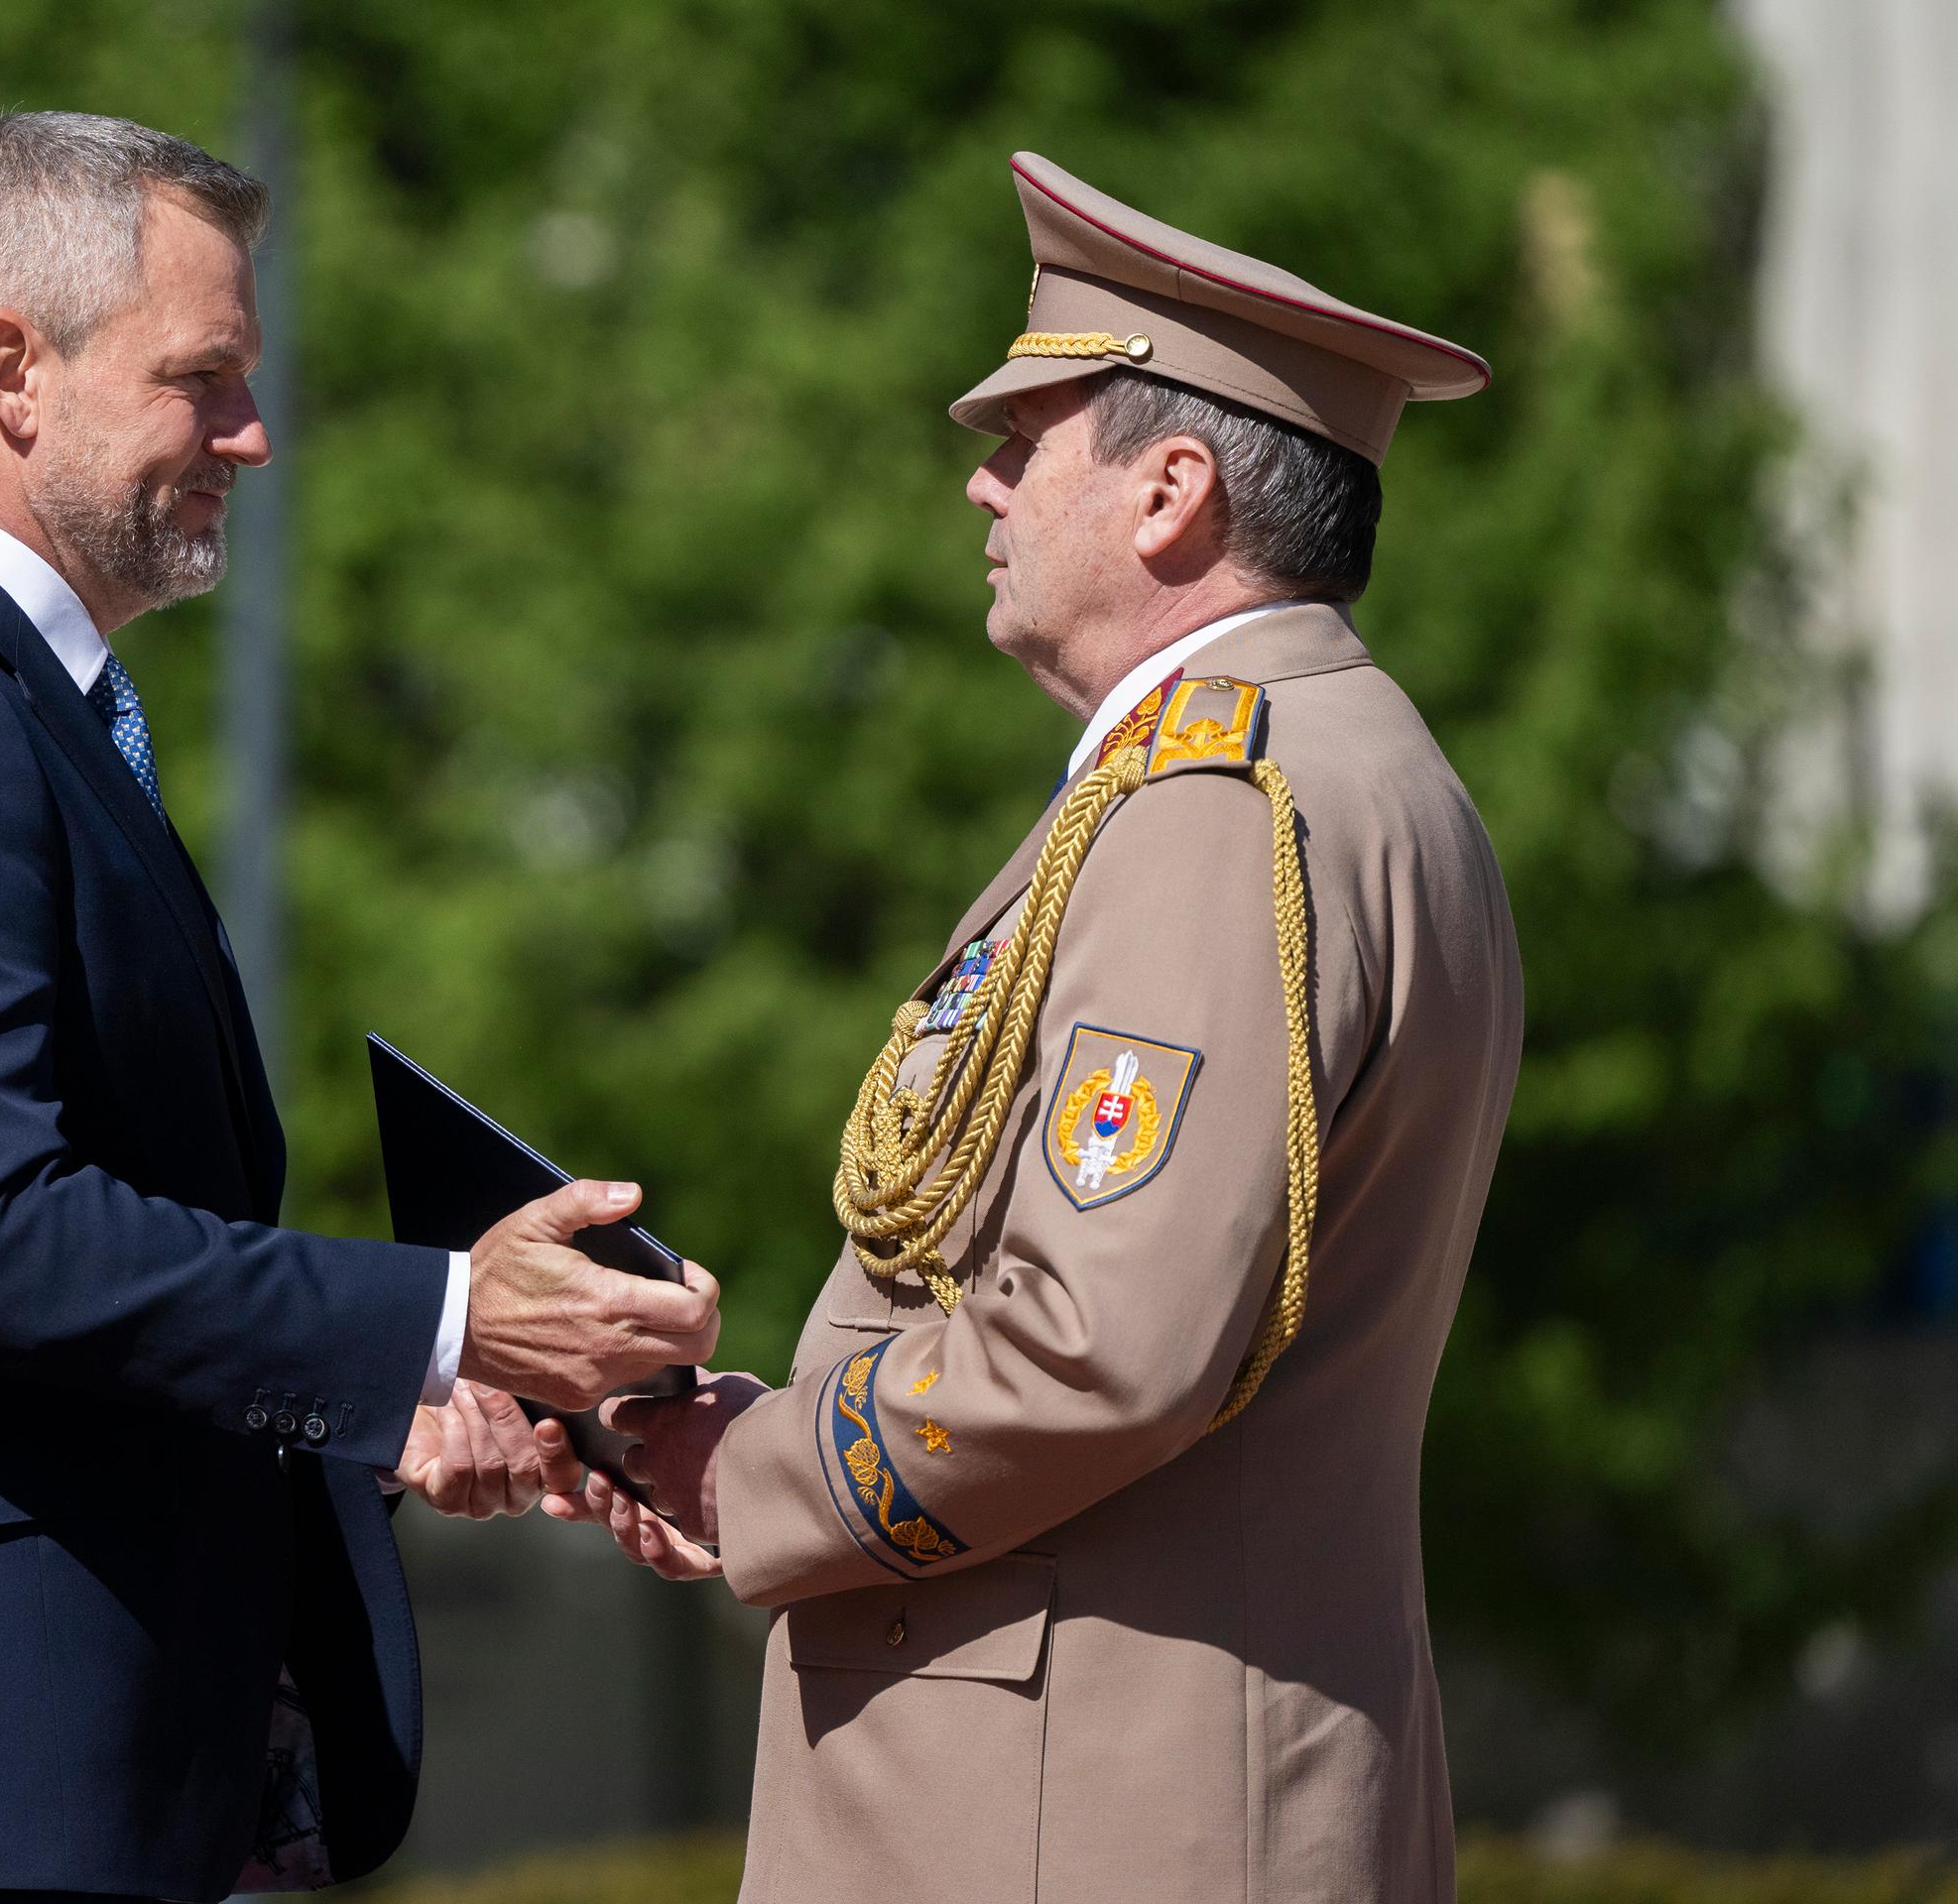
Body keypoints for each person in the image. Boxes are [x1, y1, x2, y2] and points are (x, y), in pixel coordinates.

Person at [0, 111, 714, 1902]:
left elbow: (48, 1324)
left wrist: (372, 1409)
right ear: (12, 369)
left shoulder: (14, 709)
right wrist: (452, 1315)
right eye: (204, 379)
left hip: (75, 1786)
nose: (254, 433)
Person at [550, 151, 1523, 1903]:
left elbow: (1101, 1347)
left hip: (1085, 1813)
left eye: (1024, 441)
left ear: (1170, 493)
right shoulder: (1346, 770)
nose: (983, 491)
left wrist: (748, 1468)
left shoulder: (1220, 803)